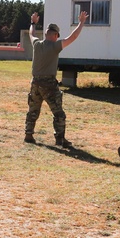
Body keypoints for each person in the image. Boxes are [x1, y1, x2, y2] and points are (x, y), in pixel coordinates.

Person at [24, 10, 87, 147]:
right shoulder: (55, 46)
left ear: (46, 34)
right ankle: (60, 139)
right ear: (55, 35)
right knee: (59, 113)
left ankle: (28, 134)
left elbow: (31, 33)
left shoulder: (37, 44)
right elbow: (73, 37)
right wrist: (81, 22)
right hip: (48, 84)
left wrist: (32, 23)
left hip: (35, 82)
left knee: (33, 110)